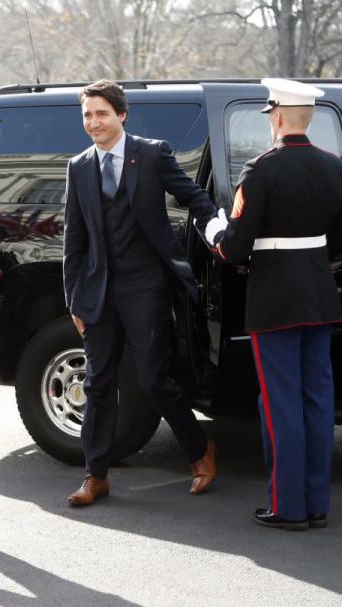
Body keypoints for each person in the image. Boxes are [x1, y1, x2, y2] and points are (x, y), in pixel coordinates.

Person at [201, 78, 342, 530]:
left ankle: (289, 507)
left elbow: (235, 248)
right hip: (319, 295)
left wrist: (214, 232)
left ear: (280, 115)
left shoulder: (260, 169)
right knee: (317, 401)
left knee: (280, 404)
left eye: (270, 113)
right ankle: (316, 503)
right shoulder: (334, 167)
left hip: (274, 300)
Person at [62, 80, 217, 507]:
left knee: (152, 379)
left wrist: (217, 226)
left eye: (101, 114)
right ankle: (95, 475)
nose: (93, 122)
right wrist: (74, 298)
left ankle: (199, 450)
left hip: (145, 286)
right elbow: (73, 239)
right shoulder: (78, 166)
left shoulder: (151, 153)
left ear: (121, 114)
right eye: (88, 115)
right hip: (97, 292)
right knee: (97, 383)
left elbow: (193, 195)